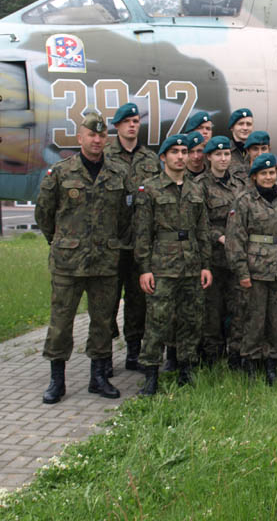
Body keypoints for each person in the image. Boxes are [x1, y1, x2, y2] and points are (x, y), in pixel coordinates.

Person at [36, 112, 130, 404]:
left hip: (104, 261)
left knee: (103, 321)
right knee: (61, 322)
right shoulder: (60, 172)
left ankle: (98, 377)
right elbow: (44, 214)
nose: (97, 140)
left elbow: (125, 217)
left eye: (101, 135)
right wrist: (61, 242)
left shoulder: (118, 174)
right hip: (69, 263)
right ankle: (57, 380)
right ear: (80, 138)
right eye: (91, 135)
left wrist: (111, 242)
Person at [135, 134, 213, 395]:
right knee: (157, 320)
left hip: (191, 264)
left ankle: (185, 369)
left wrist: (205, 265)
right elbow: (142, 233)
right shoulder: (150, 189)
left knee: (191, 319)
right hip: (162, 265)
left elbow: (203, 230)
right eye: (175, 152)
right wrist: (145, 269)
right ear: (163, 157)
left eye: (184, 152)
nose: (181, 156)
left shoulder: (195, 189)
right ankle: (151, 374)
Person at [226, 153, 277, 383]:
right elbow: (235, 240)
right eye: (264, 173)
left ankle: (271, 363)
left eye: (272, 173)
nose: (269, 177)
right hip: (255, 271)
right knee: (254, 319)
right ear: (254, 176)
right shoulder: (244, 201)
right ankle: (250, 362)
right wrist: (241, 272)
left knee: (276, 320)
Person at [104, 102, 160, 372]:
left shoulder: (150, 159)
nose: (132, 125)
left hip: (140, 242)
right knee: (107, 301)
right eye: (127, 121)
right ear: (117, 125)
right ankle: (103, 357)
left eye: (136, 121)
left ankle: (133, 353)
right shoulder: (105, 156)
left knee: (138, 301)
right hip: (111, 243)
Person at [194, 136, 247, 367]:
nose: (223, 158)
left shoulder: (239, 185)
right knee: (212, 310)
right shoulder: (200, 185)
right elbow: (199, 222)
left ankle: (235, 354)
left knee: (238, 307)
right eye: (218, 154)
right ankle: (212, 356)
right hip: (213, 258)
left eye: (226, 154)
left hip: (236, 259)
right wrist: (220, 236)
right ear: (209, 157)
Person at [228, 108, 255, 178]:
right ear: (232, 127)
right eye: (241, 124)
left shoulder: (256, 151)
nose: (245, 128)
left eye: (248, 124)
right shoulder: (225, 151)